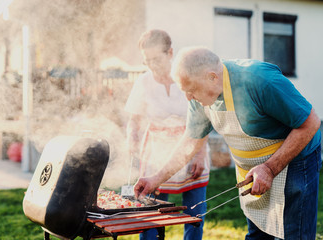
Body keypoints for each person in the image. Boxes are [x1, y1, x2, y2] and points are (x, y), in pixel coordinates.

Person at [134, 46, 322, 240]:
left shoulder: (260, 80)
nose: (188, 98)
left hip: (296, 160)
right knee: (258, 233)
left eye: (191, 91)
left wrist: (269, 169)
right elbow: (190, 141)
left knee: (293, 234)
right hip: (253, 167)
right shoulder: (199, 98)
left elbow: (311, 123)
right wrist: (156, 178)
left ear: (213, 77)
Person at [125, 30, 210, 240]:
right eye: (147, 61)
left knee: (194, 213)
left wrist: (199, 155)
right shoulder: (143, 82)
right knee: (150, 214)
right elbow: (133, 121)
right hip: (156, 152)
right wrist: (131, 139)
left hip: (192, 146)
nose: (152, 65)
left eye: (156, 59)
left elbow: (206, 115)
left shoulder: (188, 75)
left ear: (170, 52)